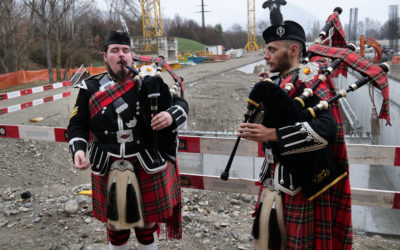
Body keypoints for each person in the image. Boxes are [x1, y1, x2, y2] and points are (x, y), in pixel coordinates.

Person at [67, 30, 188, 250]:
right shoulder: (90, 88)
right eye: (115, 50)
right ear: (105, 56)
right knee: (115, 226)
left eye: (125, 50)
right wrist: (79, 149)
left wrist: (171, 115)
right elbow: (77, 125)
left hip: (146, 161)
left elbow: (180, 104)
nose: (121, 55)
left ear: (132, 56)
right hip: (107, 162)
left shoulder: (148, 83)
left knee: (147, 224)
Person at [237, 20, 353, 249]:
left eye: (272, 49)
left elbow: (327, 130)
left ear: (293, 50)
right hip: (273, 181)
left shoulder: (311, 79)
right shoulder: (280, 81)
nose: (266, 55)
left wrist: (274, 134)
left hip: (300, 185)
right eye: (266, 49)